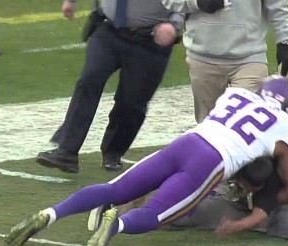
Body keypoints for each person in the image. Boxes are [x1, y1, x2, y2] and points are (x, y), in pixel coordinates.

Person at [5, 76, 288, 246]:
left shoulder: (236, 94)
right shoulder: (286, 127)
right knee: (157, 214)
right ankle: (117, 226)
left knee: (115, 189)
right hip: (211, 161)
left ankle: (50, 213)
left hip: (187, 142)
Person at [36, 0, 185, 173]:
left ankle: (113, 151)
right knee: (89, 80)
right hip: (108, 28)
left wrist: (174, 25)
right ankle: (67, 150)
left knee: (132, 101)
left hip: (150, 39)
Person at [161, 0, 288, 123]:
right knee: (209, 130)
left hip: (250, 56)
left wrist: (284, 41)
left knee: (249, 124)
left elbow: (277, 3)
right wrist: (198, 3)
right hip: (203, 57)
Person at [161, 156, 288, 246]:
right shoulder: (231, 157)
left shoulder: (271, 181)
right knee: (194, 208)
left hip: (255, 207)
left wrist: (236, 226)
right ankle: (156, 214)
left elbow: (258, 215)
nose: (250, 190)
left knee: (278, 218)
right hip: (227, 192)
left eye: (253, 188)